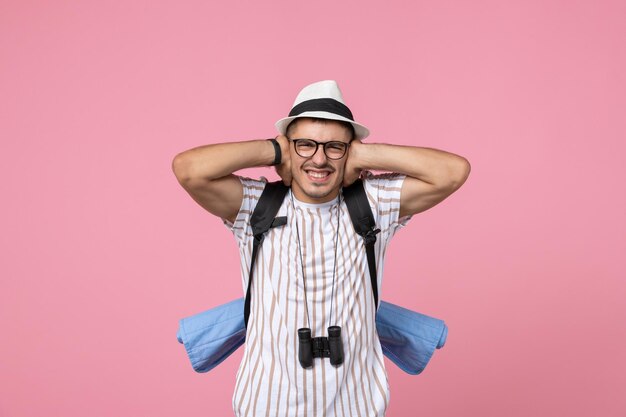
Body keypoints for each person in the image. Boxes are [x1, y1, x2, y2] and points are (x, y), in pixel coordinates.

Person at [172, 80, 470, 417]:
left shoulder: (373, 203)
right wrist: (273, 151)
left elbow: (453, 172)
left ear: (349, 152)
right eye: (305, 145)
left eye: (334, 148)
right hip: (266, 407)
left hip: (355, 408)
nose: (319, 159)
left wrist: (363, 154)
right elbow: (189, 170)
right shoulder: (255, 205)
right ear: (288, 147)